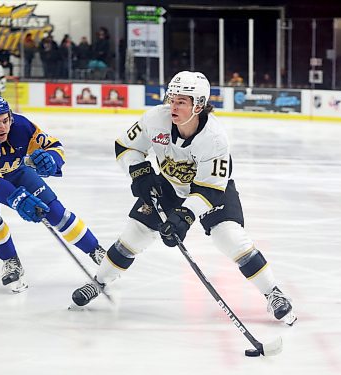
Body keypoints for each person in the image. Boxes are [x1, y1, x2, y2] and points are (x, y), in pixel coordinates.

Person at [70, 71, 297, 326]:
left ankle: (273, 292)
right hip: (169, 186)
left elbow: (209, 189)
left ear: (198, 105)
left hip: (211, 190)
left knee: (230, 237)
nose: (173, 106)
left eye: (181, 101)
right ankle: (99, 281)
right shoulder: (156, 119)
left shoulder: (215, 138)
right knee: (134, 235)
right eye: (172, 99)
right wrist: (139, 173)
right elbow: (126, 146)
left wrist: (184, 216)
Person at [0, 93, 106, 292]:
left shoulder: (21, 126)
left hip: (13, 169)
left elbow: (55, 146)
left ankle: (95, 250)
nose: (3, 127)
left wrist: (51, 160)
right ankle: (10, 260)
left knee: (54, 211)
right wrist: (17, 199)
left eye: (5, 120)